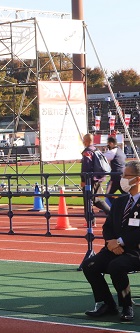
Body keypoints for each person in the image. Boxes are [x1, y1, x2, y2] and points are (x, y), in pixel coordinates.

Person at [82, 160, 140, 322]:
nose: (122, 179)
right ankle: (107, 304)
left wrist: (120, 242)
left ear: (138, 179)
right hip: (114, 247)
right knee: (89, 265)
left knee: (116, 266)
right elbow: (108, 227)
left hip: (136, 250)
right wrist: (110, 242)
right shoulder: (120, 201)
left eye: (126, 175)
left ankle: (126, 305)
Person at [81, 133, 110, 225]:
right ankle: (111, 214)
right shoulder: (97, 150)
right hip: (99, 178)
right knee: (96, 200)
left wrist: (83, 180)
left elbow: (86, 167)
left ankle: (90, 221)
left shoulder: (87, 152)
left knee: (88, 200)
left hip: (90, 180)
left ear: (86, 141)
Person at [104, 136, 127, 204]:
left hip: (115, 177)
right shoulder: (120, 151)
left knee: (108, 194)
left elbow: (102, 158)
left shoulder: (112, 152)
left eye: (108, 144)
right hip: (123, 176)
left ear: (111, 143)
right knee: (126, 194)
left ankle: (112, 207)